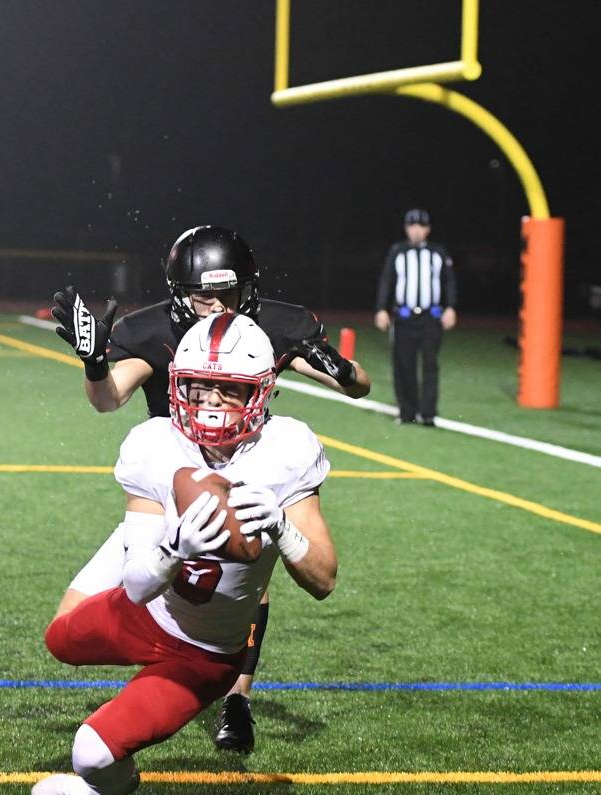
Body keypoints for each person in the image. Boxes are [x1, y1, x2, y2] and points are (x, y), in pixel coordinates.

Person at [50, 225, 369, 754]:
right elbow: (108, 399)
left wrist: (342, 370)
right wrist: (95, 363)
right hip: (168, 474)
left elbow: (355, 384)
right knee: (70, 624)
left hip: (243, 465)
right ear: (179, 294)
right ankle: (170, 664)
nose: (219, 304)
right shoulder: (154, 331)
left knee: (246, 569)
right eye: (205, 294)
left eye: (230, 292)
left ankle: (234, 698)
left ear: (250, 288)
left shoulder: (273, 325)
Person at [31, 312, 337, 795]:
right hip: (147, 611)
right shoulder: (154, 443)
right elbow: (135, 587)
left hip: (205, 652)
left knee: (90, 755)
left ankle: (108, 785)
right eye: (199, 387)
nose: (211, 402)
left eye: (228, 389)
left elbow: (323, 578)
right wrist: (172, 550)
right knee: (59, 639)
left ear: (261, 392)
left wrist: (282, 527)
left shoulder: (287, 448)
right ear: (179, 386)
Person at [374, 208, 457, 426]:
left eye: (420, 225)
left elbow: (449, 281)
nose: (416, 230)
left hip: (431, 317)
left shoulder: (438, 252)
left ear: (428, 229)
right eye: (412, 225)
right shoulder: (397, 252)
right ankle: (407, 411)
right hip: (404, 317)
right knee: (404, 365)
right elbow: (386, 281)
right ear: (406, 228)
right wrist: (381, 308)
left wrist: (451, 308)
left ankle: (428, 413)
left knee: (430, 365)